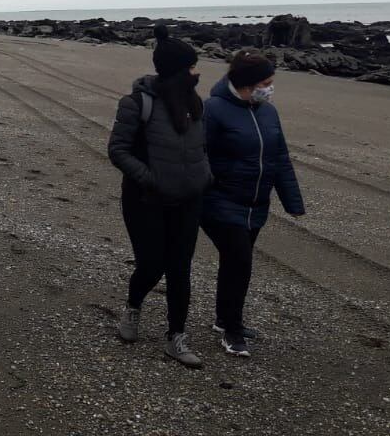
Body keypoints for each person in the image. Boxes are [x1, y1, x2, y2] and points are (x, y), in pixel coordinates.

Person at [107, 24, 211, 369]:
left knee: (180, 268)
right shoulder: (137, 103)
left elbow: (200, 148)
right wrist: (150, 179)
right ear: (179, 70)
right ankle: (133, 308)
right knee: (152, 264)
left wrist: (204, 177)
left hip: (188, 200)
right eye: (192, 67)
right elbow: (118, 150)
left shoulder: (195, 104)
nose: (197, 73)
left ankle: (176, 337)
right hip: (145, 200)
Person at [202, 50, 305, 358]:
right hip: (220, 202)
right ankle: (232, 330)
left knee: (234, 264)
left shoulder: (268, 112)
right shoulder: (214, 109)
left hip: (256, 204)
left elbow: (280, 158)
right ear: (248, 82)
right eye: (266, 82)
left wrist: (292, 201)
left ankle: (223, 319)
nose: (270, 87)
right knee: (240, 264)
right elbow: (199, 155)